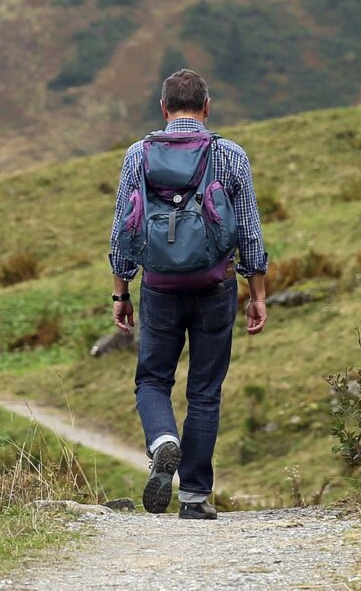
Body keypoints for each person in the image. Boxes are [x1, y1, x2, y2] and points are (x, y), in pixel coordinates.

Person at [109, 69, 267, 520]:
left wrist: (121, 291)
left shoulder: (138, 155)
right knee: (205, 391)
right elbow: (250, 232)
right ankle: (195, 497)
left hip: (158, 287)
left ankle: (163, 441)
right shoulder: (230, 155)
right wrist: (257, 293)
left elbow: (124, 228)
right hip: (215, 285)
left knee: (153, 380)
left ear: (163, 108)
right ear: (207, 106)